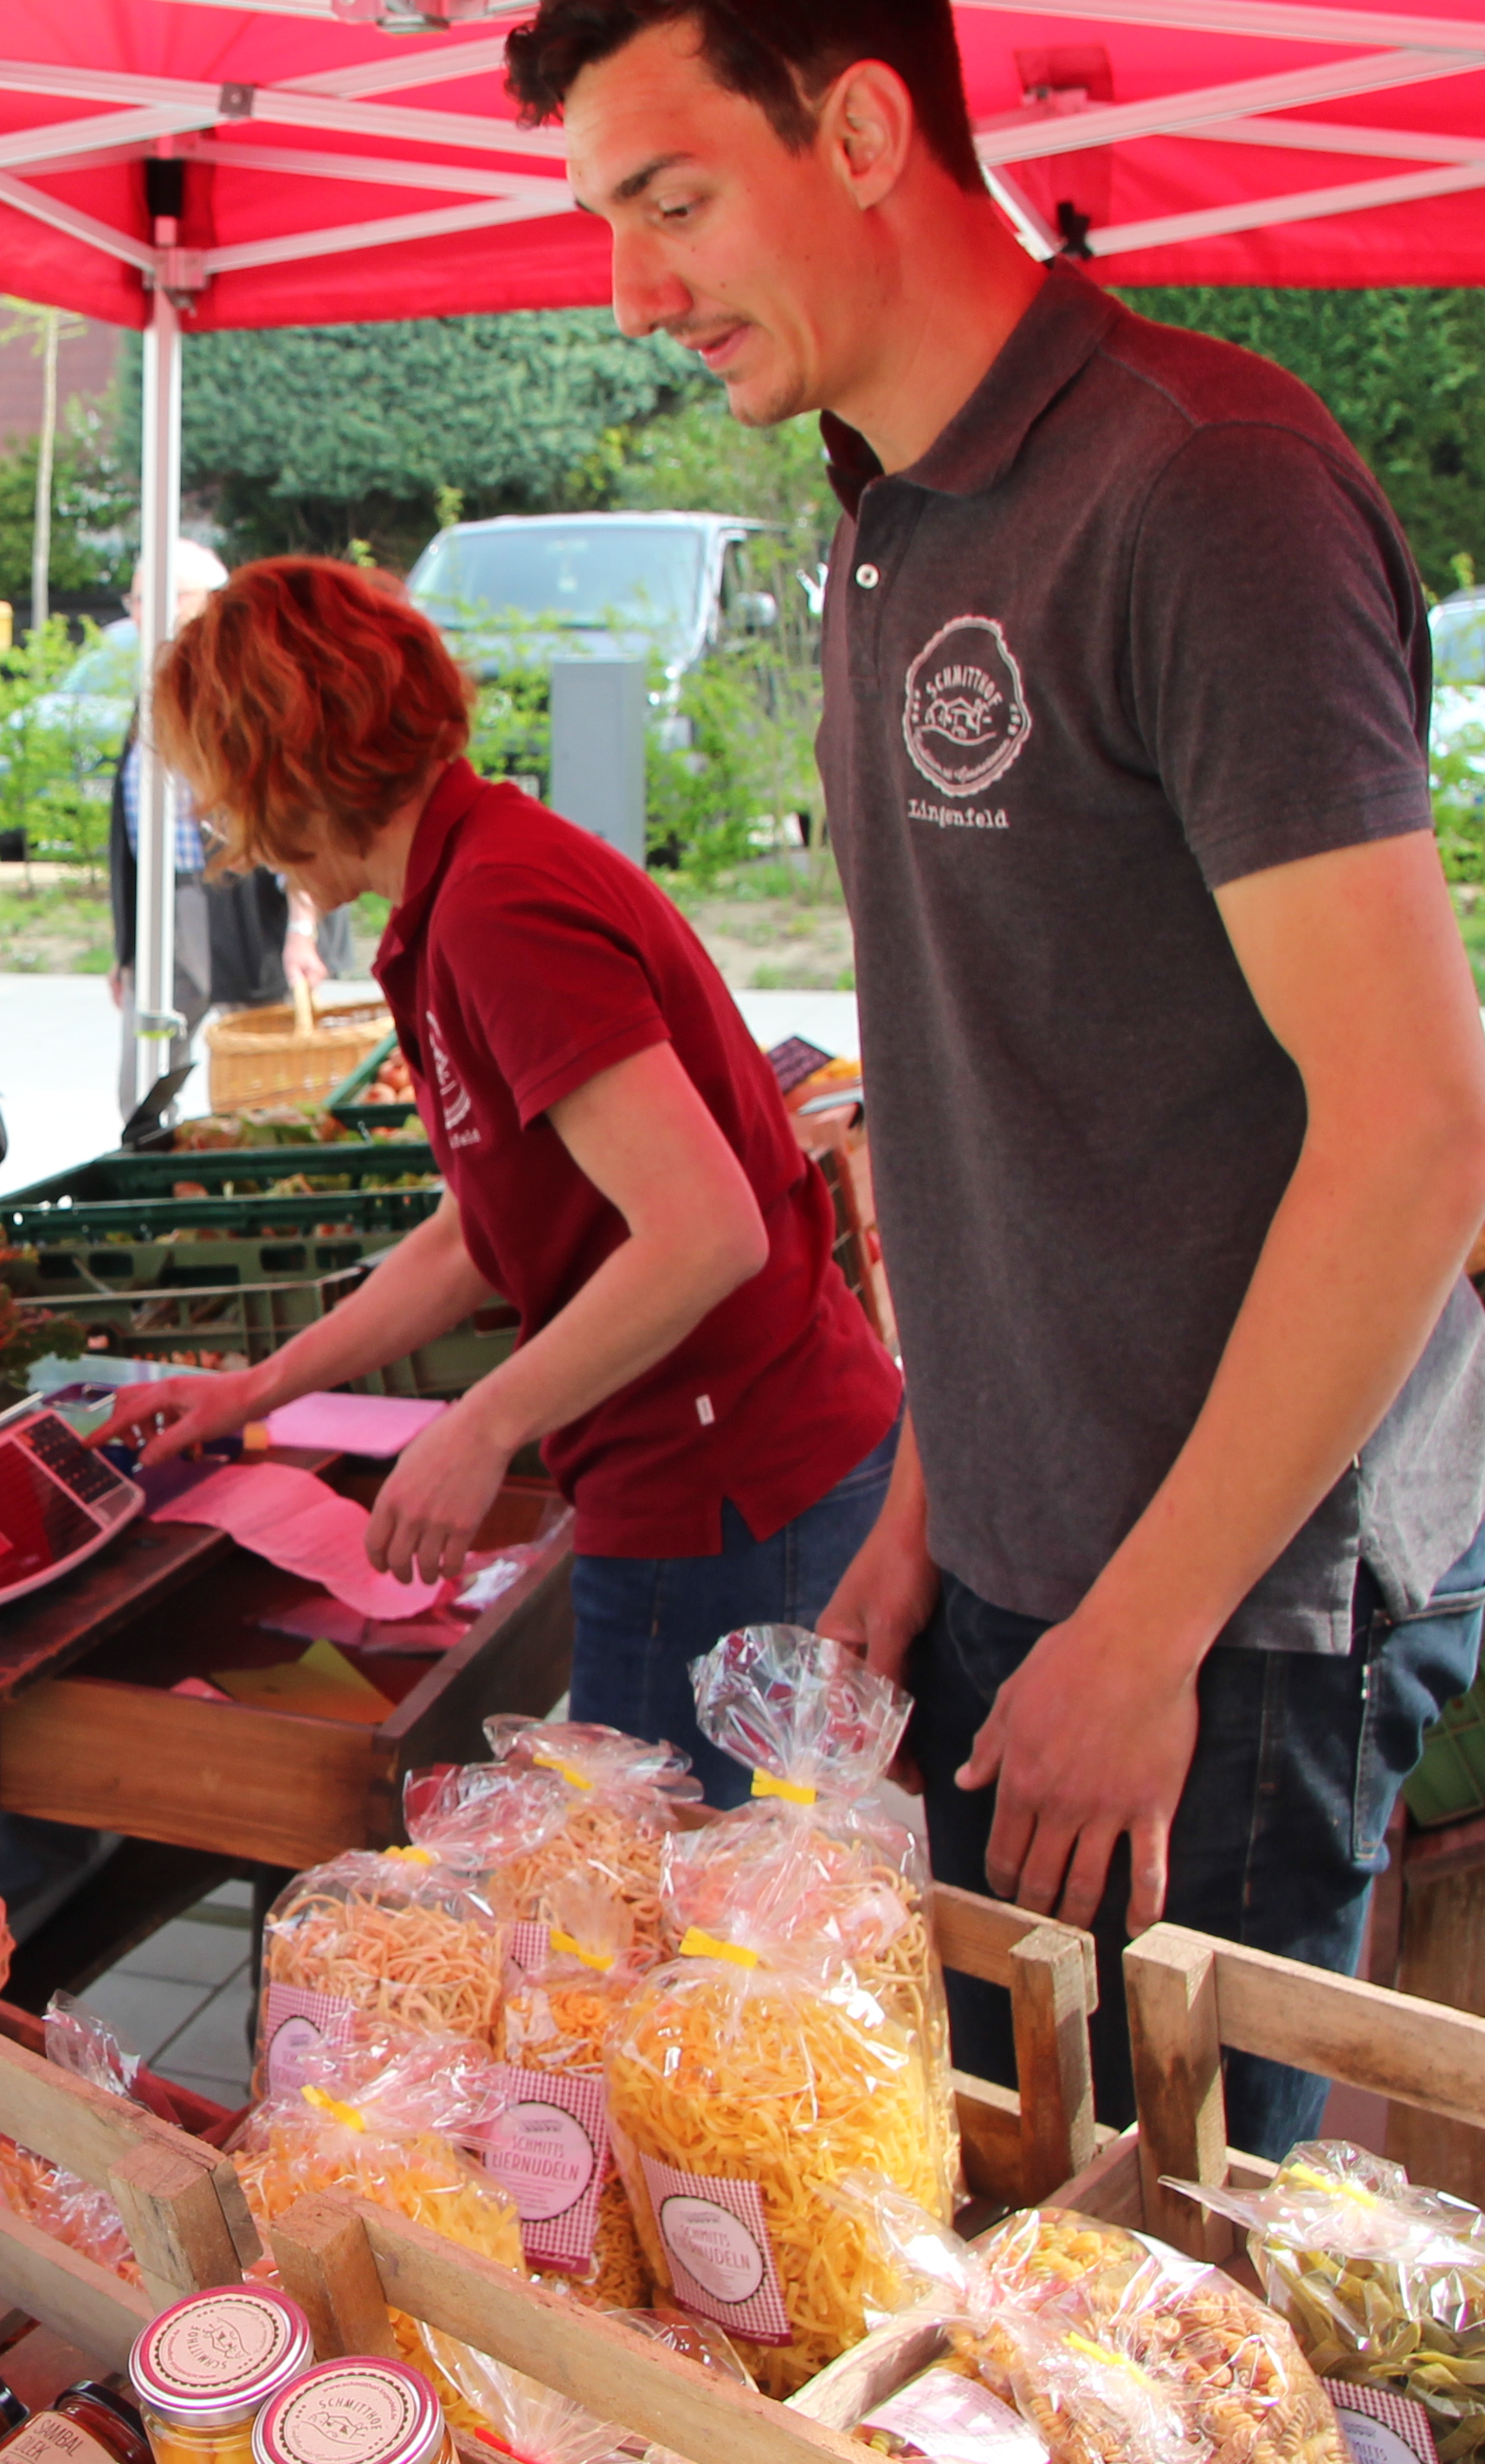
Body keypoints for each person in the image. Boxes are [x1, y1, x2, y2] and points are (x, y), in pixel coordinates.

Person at [509, 0, 1485, 2150]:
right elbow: (1009, 1085)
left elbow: (1419, 1124)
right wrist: (929, 1503)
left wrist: (1146, 1628)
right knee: (980, 2219)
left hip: (1233, 1608)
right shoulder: (885, 516)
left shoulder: (1204, 492)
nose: (631, 290)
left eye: (670, 200)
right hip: (1020, 1562)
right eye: (604, 218)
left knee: (1162, 2289)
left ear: (863, 129)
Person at [104, 561, 905, 1797]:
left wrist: (481, 1425)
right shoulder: (464, 884)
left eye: (222, 785)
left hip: (727, 1480)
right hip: (704, 1466)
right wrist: (260, 1387)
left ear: (285, 765)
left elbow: (705, 1232)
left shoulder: (499, 907)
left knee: (661, 1888)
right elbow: (474, 1235)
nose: (224, 825)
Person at [104, 542, 336, 1033]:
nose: (147, 614)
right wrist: (126, 948)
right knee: (147, 1059)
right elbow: (130, 824)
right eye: (139, 600)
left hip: (243, 901)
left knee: (258, 1058)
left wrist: (302, 928)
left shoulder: (247, 687)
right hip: (164, 899)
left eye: (168, 597)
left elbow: (292, 815)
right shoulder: (156, 687)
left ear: (214, 601)